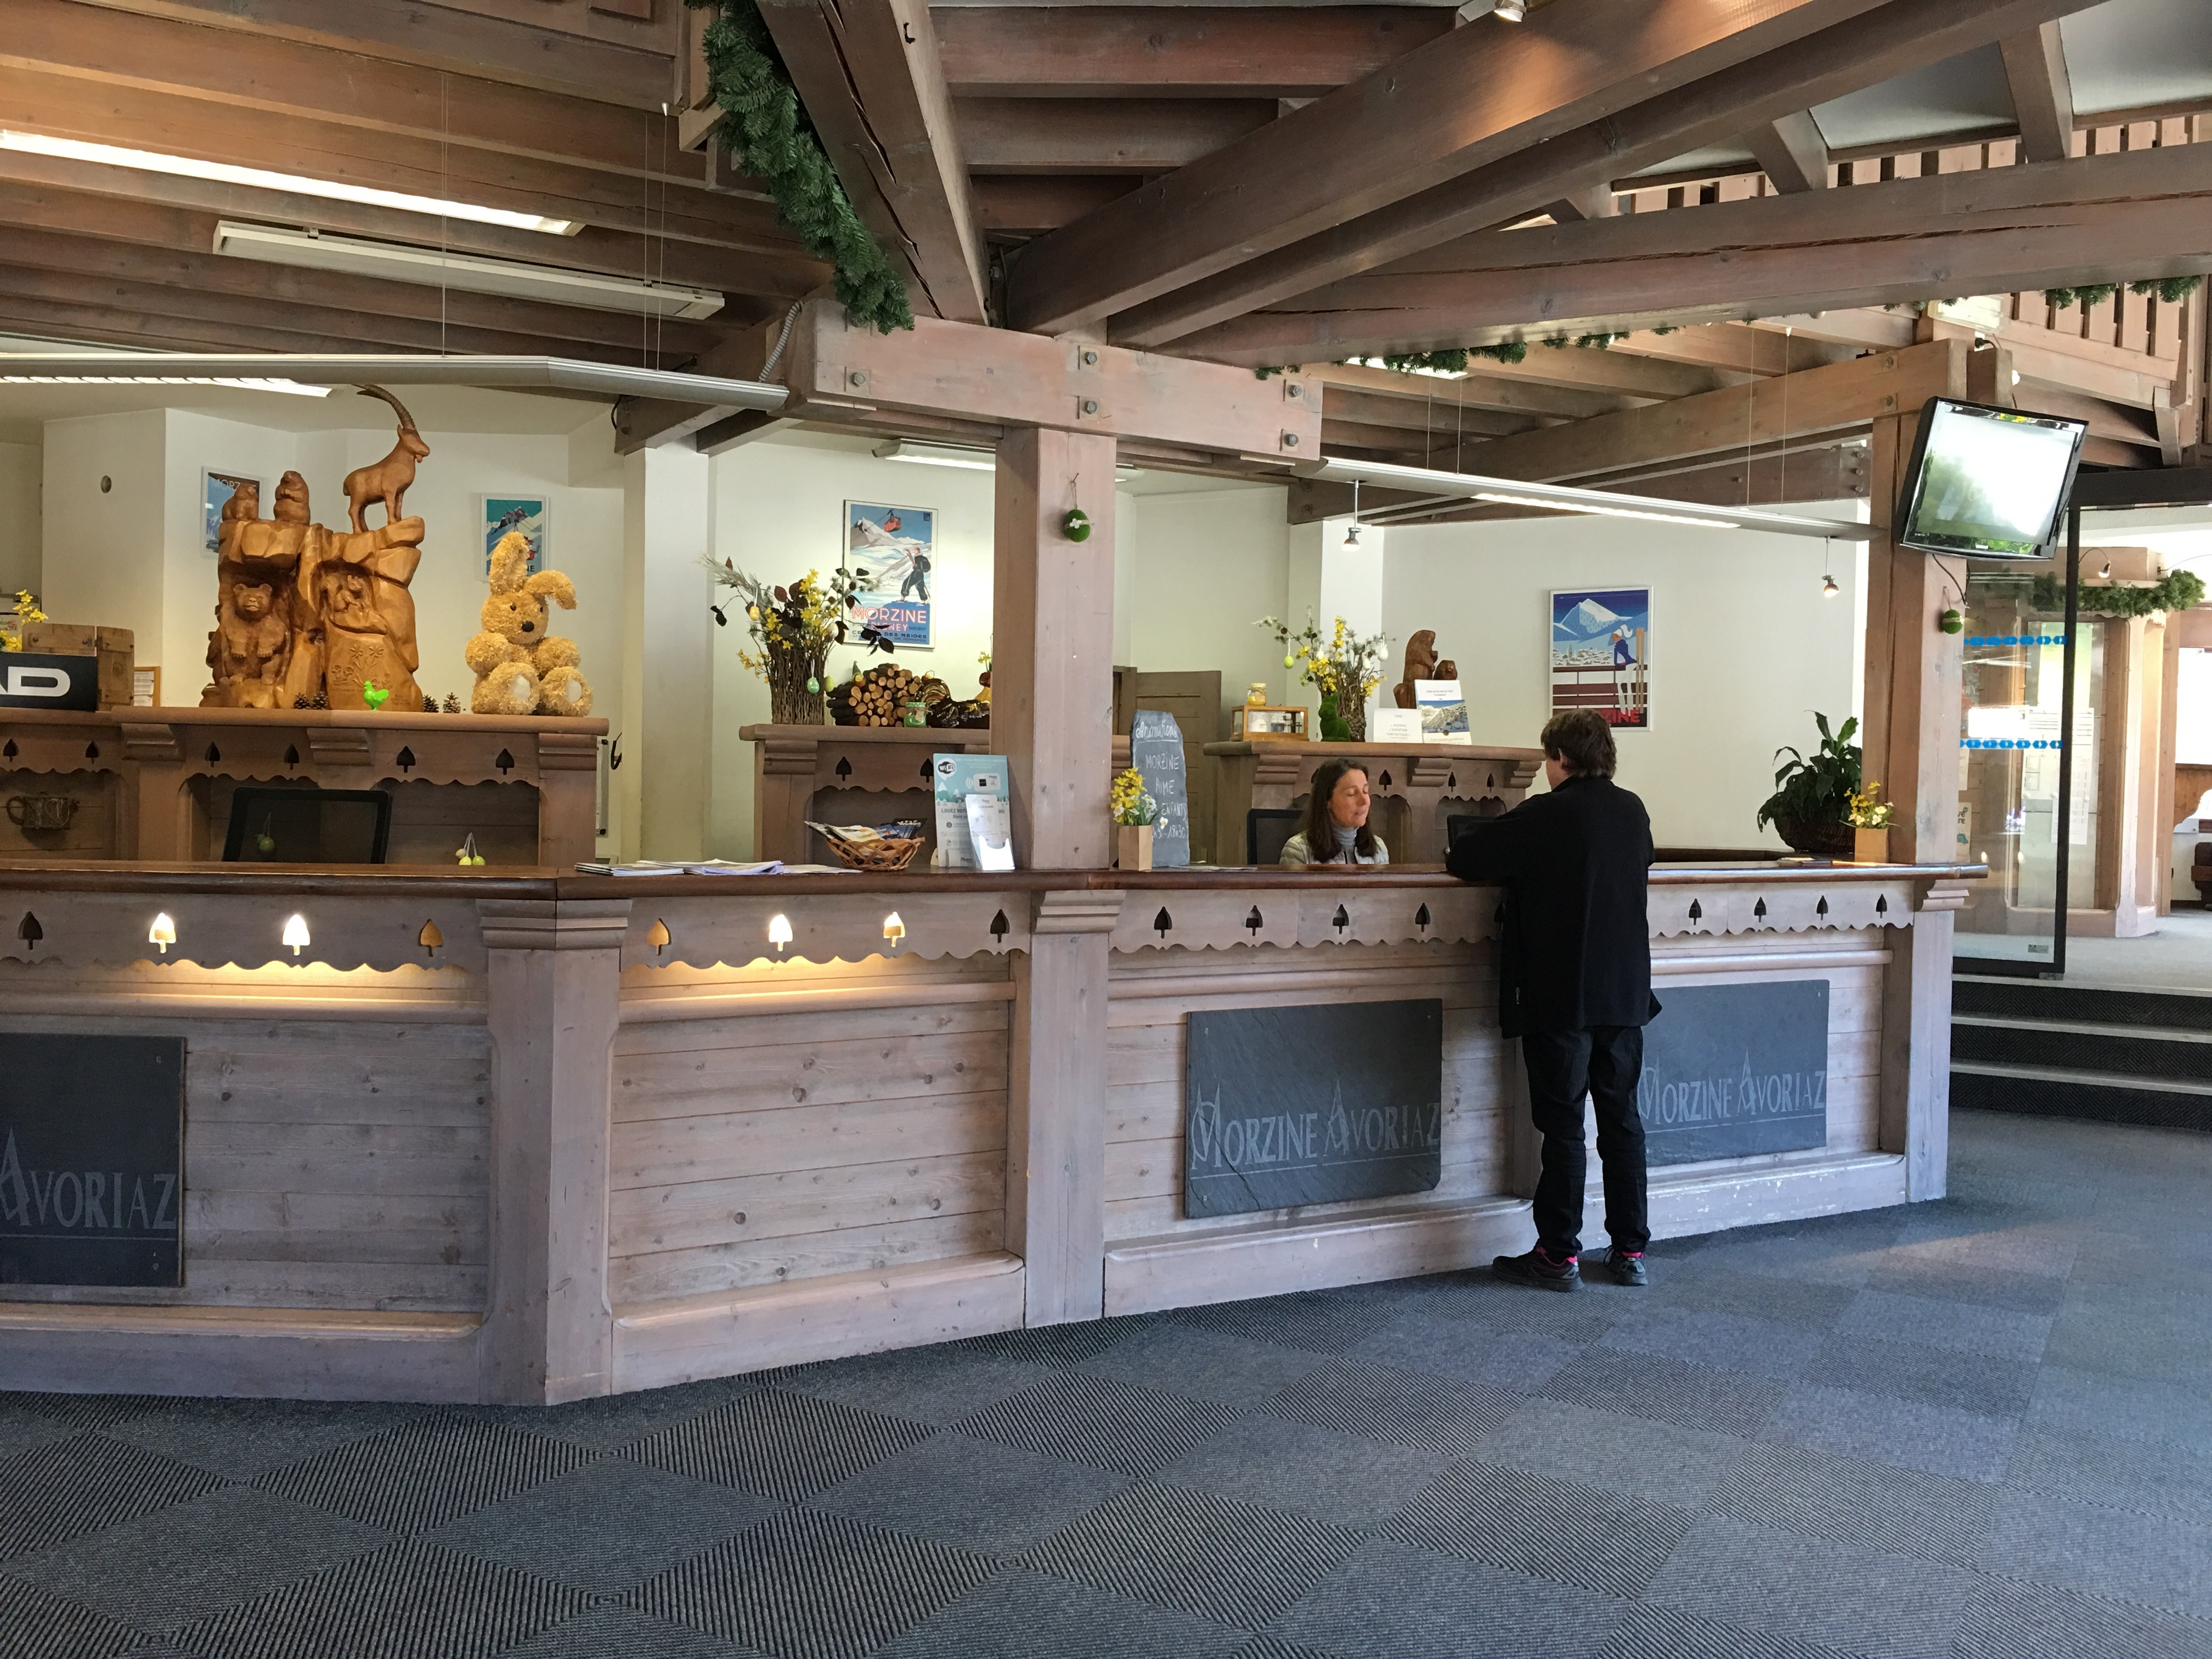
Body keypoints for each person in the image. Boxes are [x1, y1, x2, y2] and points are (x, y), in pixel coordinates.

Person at [1447, 710, 1657, 1290]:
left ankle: (1559, 1255)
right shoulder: (1633, 811)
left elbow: (1465, 856)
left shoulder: (1546, 813)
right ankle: (1630, 1250)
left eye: (1547, 757)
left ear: (1561, 758)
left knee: (1564, 1126)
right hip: (1624, 994)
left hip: (1562, 993)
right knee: (1622, 1121)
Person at [1279, 758, 1390, 866]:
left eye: (1365, 791)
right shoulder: (1298, 850)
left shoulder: (1378, 848)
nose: (1364, 801)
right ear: (1327, 800)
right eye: (1351, 793)